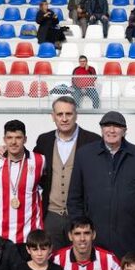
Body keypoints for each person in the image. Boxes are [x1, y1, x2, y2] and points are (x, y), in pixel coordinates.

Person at [67, 110, 135, 258]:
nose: (111, 130)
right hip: (95, 238)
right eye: (107, 126)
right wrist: (81, 230)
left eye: (116, 126)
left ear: (124, 130)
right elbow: (74, 197)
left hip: (129, 237)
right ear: (101, 129)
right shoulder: (84, 155)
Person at [33, 96, 102, 250]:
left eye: (68, 114)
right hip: (52, 215)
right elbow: (30, 162)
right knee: (52, 261)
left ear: (76, 115)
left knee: (82, 260)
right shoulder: (44, 140)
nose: (64, 119)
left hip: (82, 214)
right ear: (53, 116)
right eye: (60, 114)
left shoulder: (93, 140)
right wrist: (4, 150)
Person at [0, 120, 45, 252]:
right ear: (4, 139)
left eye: (18, 138)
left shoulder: (40, 160)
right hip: (0, 235)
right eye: (9, 138)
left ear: (25, 139)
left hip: (30, 237)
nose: (13, 142)